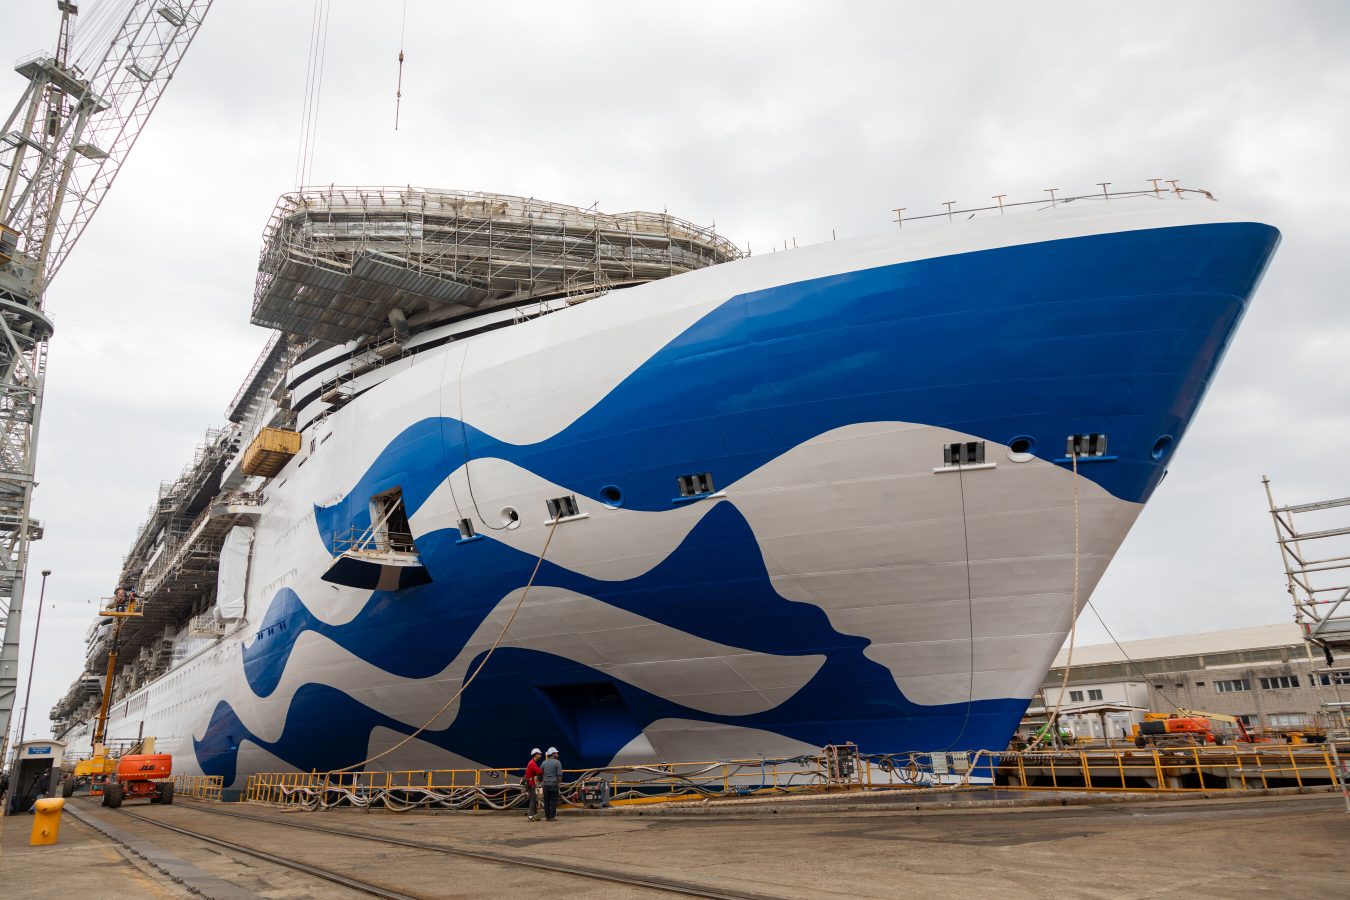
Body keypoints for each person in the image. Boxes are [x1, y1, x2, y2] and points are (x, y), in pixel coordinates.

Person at [540, 747, 563, 822]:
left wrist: (541, 781)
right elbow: (559, 774)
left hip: (545, 785)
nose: (557, 754)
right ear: (553, 754)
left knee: (546, 801)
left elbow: (540, 773)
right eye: (556, 753)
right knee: (553, 801)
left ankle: (547, 817)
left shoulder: (544, 762)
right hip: (554, 784)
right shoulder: (557, 762)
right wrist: (559, 783)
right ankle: (551, 817)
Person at [523, 748, 543, 821]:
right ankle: (530, 816)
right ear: (536, 754)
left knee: (533, 799)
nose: (540, 755)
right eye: (539, 754)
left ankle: (535, 815)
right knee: (533, 800)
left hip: (530, 783)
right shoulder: (532, 763)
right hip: (531, 784)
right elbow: (539, 771)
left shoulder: (531, 763)